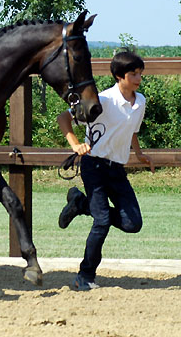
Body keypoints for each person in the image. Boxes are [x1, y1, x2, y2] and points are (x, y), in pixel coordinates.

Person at [56, 49, 154, 291]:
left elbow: (131, 131)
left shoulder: (139, 101)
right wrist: (76, 145)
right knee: (101, 222)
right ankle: (84, 276)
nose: (139, 78)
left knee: (133, 224)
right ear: (119, 76)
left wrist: (140, 155)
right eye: (134, 73)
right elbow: (63, 119)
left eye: (140, 73)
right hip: (94, 167)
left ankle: (80, 203)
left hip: (117, 170)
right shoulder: (103, 101)